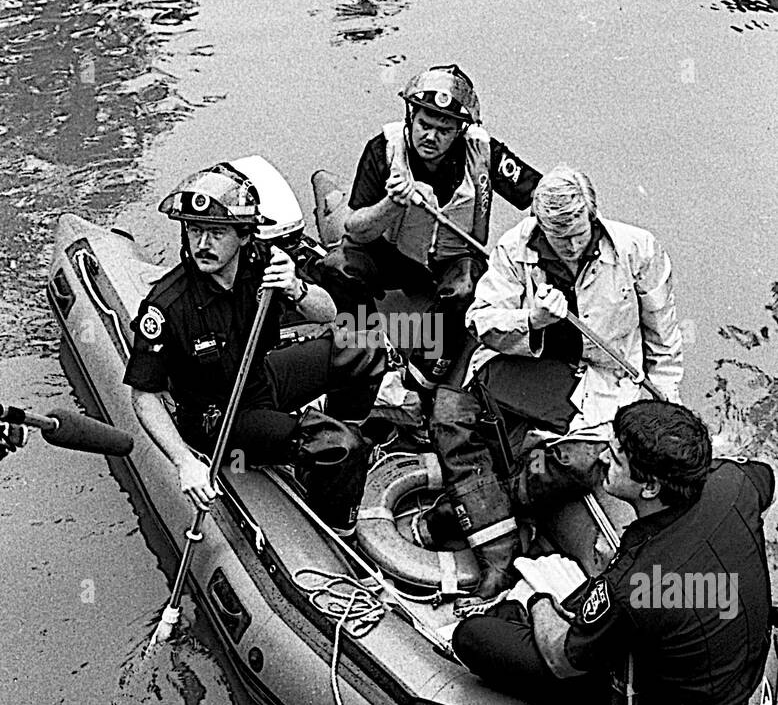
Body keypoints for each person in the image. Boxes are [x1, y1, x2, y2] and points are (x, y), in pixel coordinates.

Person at [452, 401, 775, 705]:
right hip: (736, 667)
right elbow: (765, 477)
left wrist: (537, 598)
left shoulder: (636, 586)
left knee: (474, 636)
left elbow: (562, 661)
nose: (603, 457)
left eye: (616, 458)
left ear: (650, 487)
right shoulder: (735, 483)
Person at [428, 164, 684, 598]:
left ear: (594, 216)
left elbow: (664, 340)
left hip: (603, 381)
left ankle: (475, 508)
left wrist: (666, 411)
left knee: (588, 463)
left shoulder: (640, 250)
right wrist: (530, 319)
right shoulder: (515, 247)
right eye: (555, 236)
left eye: (576, 234)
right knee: (449, 413)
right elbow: (482, 320)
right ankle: (499, 547)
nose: (567, 246)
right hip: (531, 368)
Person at [124, 161, 385, 538]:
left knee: (365, 345)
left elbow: (329, 312)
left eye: (216, 233)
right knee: (340, 445)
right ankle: (338, 528)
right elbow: (144, 396)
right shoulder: (167, 306)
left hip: (261, 379)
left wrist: (296, 287)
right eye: (194, 230)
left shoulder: (261, 261)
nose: (202, 245)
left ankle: (334, 462)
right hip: (219, 419)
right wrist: (184, 462)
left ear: (245, 235)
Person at [313, 64, 541, 404]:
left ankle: (422, 380)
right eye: (423, 124)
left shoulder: (485, 152)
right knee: (338, 267)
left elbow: (538, 195)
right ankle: (368, 353)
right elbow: (355, 230)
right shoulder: (383, 149)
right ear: (410, 117)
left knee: (465, 290)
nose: (430, 137)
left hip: (453, 259)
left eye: (443, 130)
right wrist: (392, 203)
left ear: (460, 132)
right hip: (393, 254)